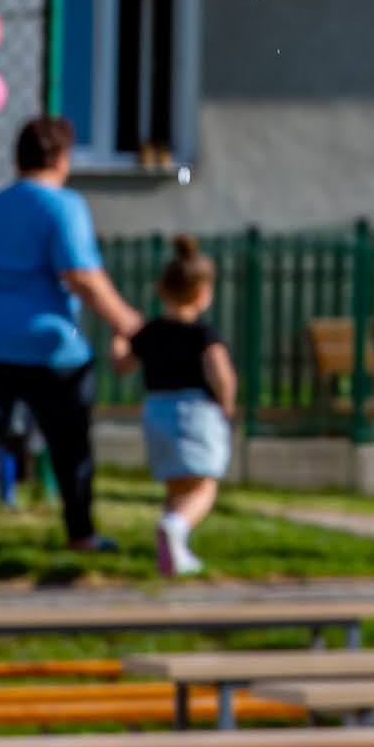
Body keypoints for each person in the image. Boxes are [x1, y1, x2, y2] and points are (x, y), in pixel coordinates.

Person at [0, 114, 143, 568]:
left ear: (18, 158)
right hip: (45, 346)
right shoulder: (63, 206)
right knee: (70, 443)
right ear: (62, 158)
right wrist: (127, 321)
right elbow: (81, 275)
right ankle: (80, 533)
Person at [132, 241, 239, 579]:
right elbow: (219, 370)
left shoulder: (148, 333)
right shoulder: (203, 334)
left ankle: (175, 553)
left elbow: (121, 362)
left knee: (177, 487)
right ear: (203, 293)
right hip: (196, 410)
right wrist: (227, 404)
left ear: (161, 288)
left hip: (156, 411)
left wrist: (121, 337)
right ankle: (176, 528)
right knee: (204, 486)